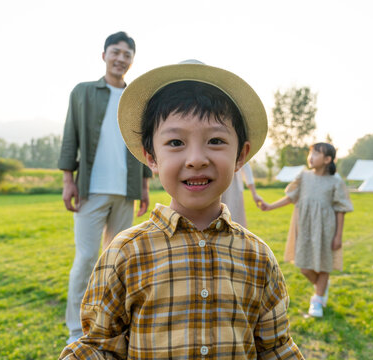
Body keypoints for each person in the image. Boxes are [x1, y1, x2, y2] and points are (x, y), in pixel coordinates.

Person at [59, 60, 304, 359]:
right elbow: (99, 346)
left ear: (241, 155)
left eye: (215, 141)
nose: (196, 159)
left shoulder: (258, 257)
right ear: (151, 157)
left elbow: (276, 348)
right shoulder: (124, 253)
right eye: (176, 142)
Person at [57, 31, 152, 344]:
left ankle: (110, 325)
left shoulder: (136, 98)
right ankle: (75, 330)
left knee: (117, 263)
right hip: (91, 190)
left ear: (132, 60)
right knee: (85, 259)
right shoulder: (83, 92)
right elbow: (70, 135)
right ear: (104, 55)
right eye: (116, 52)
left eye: (127, 54)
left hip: (125, 191)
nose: (121, 58)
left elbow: (143, 144)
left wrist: (144, 186)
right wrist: (68, 179)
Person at [259, 143, 353, 318]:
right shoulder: (304, 176)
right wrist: (269, 206)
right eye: (311, 153)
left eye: (316, 153)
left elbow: (341, 209)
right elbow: (291, 197)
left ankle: (317, 301)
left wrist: (338, 236)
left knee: (324, 264)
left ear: (327, 159)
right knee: (303, 265)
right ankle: (322, 286)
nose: (311, 156)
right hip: (304, 226)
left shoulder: (336, 181)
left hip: (326, 228)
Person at [221, 162, 263, 227]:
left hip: (233, 188)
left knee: (235, 222)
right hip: (228, 188)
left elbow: (246, 166)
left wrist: (254, 194)